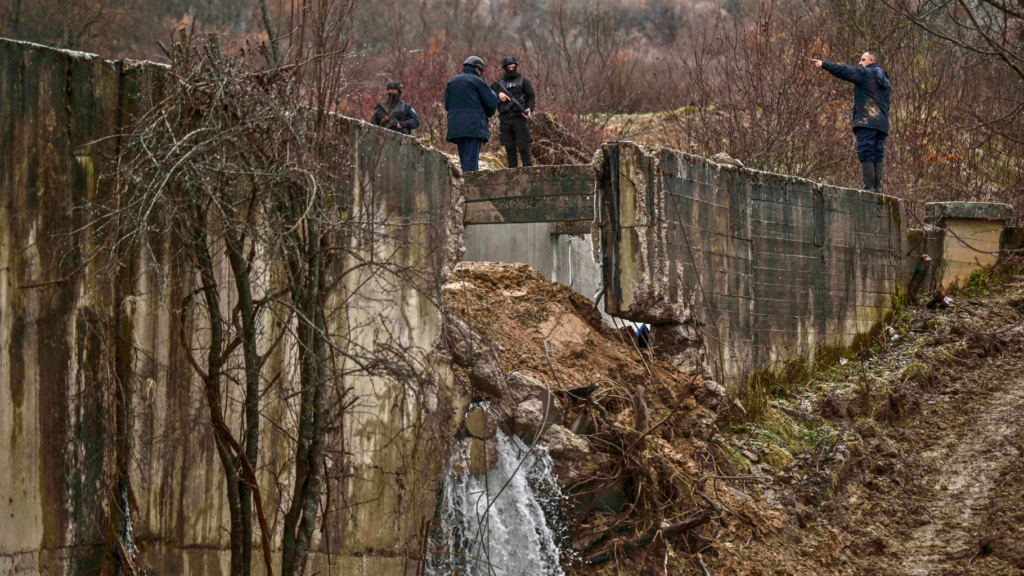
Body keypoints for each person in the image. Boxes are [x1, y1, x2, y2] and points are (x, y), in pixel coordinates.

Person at [811, 52, 891, 193]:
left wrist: (825, 64)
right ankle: (876, 190)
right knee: (877, 154)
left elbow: (845, 71)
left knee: (866, 152)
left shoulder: (866, 73)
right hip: (882, 124)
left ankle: (868, 189)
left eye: (863, 59)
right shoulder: (885, 80)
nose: (860, 63)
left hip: (867, 121)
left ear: (872, 60)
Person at [445, 56, 498, 172]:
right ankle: (470, 188)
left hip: (456, 126)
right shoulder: (477, 81)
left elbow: (447, 105)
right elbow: (492, 102)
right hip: (474, 127)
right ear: (478, 69)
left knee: (464, 159)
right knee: (471, 162)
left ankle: (463, 185)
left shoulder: (452, 81)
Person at [490, 55, 536, 168]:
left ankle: (528, 172)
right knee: (509, 149)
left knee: (523, 147)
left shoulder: (523, 81)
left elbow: (531, 97)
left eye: (513, 67)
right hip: (505, 119)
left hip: (519, 118)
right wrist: (498, 94)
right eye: (509, 67)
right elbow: (488, 92)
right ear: (505, 68)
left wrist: (529, 108)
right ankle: (512, 174)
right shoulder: (499, 84)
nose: (511, 69)